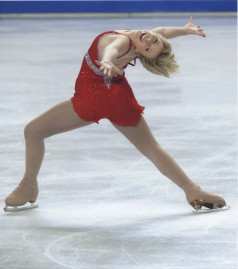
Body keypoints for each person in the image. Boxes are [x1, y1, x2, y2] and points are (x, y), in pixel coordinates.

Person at [4, 17, 228, 212]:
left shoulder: (126, 42)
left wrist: (109, 60)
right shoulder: (146, 37)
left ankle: (28, 186)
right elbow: (162, 31)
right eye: (153, 41)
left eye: (149, 48)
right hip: (118, 94)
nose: (149, 40)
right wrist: (185, 29)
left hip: (95, 97)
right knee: (151, 148)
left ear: (140, 54)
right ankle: (192, 191)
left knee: (33, 131)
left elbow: (112, 48)